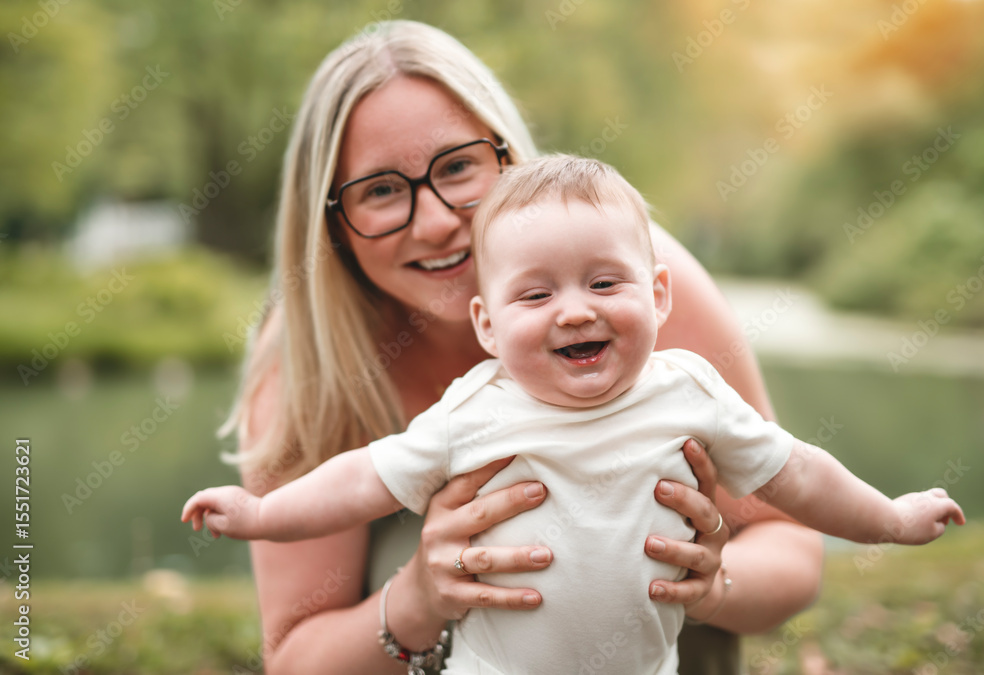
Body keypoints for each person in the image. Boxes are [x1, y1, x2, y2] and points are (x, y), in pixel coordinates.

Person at [189, 155, 964, 675]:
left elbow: (798, 473)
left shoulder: (688, 391)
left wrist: (891, 518)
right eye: (536, 294)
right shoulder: (475, 410)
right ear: (488, 326)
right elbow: (362, 478)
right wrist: (263, 513)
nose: (572, 311)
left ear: (658, 294)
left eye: (603, 283)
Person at [218, 19, 826, 675]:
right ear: (333, 221)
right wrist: (420, 597)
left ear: (509, 157)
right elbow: (294, 658)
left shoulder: (631, 292)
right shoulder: (304, 358)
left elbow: (790, 544)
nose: (437, 223)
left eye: (457, 166)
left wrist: (710, 583)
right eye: (382, 190)